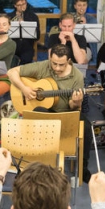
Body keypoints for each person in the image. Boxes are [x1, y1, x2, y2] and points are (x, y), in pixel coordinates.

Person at [8, 44, 92, 182]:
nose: (57, 68)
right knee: (37, 112)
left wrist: (76, 102)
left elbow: (74, 108)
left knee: (86, 126)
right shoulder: (44, 66)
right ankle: (35, 166)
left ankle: (83, 169)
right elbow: (11, 72)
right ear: (49, 59)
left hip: (65, 113)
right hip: (45, 113)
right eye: (54, 64)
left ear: (69, 61)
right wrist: (24, 89)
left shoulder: (76, 76)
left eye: (61, 65)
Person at [10, 0, 40, 65]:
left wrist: (25, 24)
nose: (22, 7)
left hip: (27, 47)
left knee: (25, 62)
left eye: (24, 4)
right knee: (11, 62)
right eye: (19, 5)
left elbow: (37, 36)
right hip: (12, 47)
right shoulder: (9, 17)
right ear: (15, 5)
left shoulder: (33, 17)